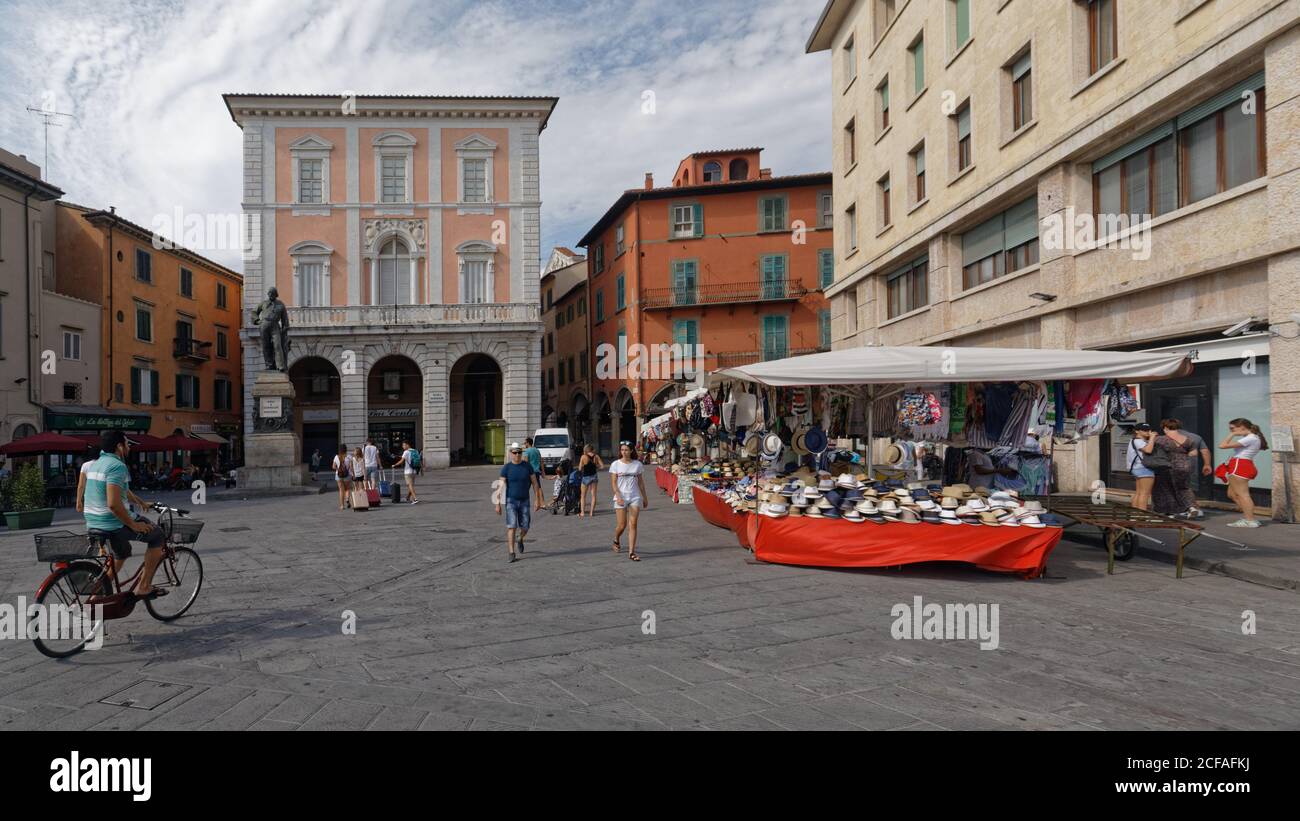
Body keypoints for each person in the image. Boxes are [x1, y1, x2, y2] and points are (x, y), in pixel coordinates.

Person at [82, 431, 167, 601]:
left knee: (123, 552)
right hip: (111, 522)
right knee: (157, 535)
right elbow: (114, 504)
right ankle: (143, 587)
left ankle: (98, 590)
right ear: (119, 447)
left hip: (93, 521)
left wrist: (141, 502)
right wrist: (134, 525)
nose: (129, 447)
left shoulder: (97, 464)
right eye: (127, 444)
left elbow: (121, 491)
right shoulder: (117, 466)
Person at [1218, 418, 1268, 528]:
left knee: (1243, 494)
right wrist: (1235, 433)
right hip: (1240, 465)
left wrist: (1232, 435)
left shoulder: (1250, 438)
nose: (1231, 431)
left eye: (1232, 428)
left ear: (1242, 427)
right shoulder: (1251, 438)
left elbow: (1222, 445)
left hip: (1240, 465)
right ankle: (1248, 517)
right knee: (1231, 494)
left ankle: (1250, 520)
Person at [496, 442, 540, 563]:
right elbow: (500, 486)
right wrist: (497, 504)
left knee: (525, 526)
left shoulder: (527, 466)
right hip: (511, 501)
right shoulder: (506, 468)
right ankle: (511, 552)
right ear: (511, 453)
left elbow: (535, 483)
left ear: (522, 453)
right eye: (514, 452)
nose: (517, 455)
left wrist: (537, 499)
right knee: (512, 526)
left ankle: (520, 538)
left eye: (519, 452)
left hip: (525, 500)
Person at [1141, 421, 1196, 516]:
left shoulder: (1161, 439)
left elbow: (1147, 448)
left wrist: (1150, 437)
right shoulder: (1188, 439)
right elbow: (1193, 453)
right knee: (1184, 487)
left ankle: (1169, 511)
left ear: (1166, 428)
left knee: (1165, 489)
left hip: (1168, 466)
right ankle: (1191, 507)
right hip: (1185, 466)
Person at [1164, 419, 1212, 519]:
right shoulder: (1196, 437)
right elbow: (1205, 451)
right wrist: (1207, 464)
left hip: (1172, 465)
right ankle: (1192, 508)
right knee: (1186, 486)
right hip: (1190, 465)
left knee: (1173, 487)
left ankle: (1180, 509)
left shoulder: (1168, 437)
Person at [609, 441, 649, 561]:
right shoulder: (615, 464)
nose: (624, 452)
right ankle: (616, 539)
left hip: (634, 496)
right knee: (622, 525)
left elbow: (641, 483)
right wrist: (619, 496)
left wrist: (645, 497)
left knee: (633, 524)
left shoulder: (638, 465)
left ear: (631, 451)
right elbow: (613, 483)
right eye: (622, 450)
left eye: (626, 450)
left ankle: (631, 552)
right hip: (620, 497)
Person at [1125, 424, 1157, 511]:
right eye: (1144, 430)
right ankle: (1143, 516)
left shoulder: (1134, 440)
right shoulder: (1139, 441)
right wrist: (1152, 437)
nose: (1147, 432)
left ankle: (1134, 515)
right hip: (1143, 468)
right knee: (1145, 494)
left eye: (1148, 430)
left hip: (1137, 468)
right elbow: (1148, 450)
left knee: (1139, 493)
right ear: (1137, 431)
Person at [578, 444, 605, 518]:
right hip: (594, 477)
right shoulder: (596, 456)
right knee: (593, 495)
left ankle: (582, 512)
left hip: (586, 477)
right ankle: (591, 512)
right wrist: (596, 466)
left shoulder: (583, 457)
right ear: (592, 449)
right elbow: (602, 466)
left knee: (583, 496)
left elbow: (580, 468)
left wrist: (583, 466)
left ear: (586, 449)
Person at [392, 439, 420, 504]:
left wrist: (395, 465)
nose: (403, 446)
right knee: (411, 485)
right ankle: (407, 497)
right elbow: (419, 460)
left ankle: (415, 499)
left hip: (408, 471)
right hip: (414, 471)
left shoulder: (406, 452)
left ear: (407, 445)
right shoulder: (415, 451)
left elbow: (401, 461)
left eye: (404, 445)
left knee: (410, 485)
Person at [75, 443, 100, 513]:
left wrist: (78, 501)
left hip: (89, 498)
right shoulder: (105, 464)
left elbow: (81, 485)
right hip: (103, 497)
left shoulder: (85, 465)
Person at [523, 437, 547, 510]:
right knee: (538, 487)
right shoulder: (537, 450)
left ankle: (524, 503)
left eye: (525, 443)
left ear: (528, 443)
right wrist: (543, 472)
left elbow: (526, 463)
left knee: (525, 488)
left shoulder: (526, 451)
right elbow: (541, 461)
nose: (524, 444)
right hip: (536, 471)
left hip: (529, 472)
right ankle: (542, 503)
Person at [332, 444, 351, 510]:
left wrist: (338, 469)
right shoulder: (349, 457)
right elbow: (351, 467)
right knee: (347, 489)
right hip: (347, 475)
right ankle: (347, 499)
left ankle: (342, 506)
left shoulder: (336, 457)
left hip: (339, 475)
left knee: (341, 490)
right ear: (346, 449)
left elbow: (333, 467)